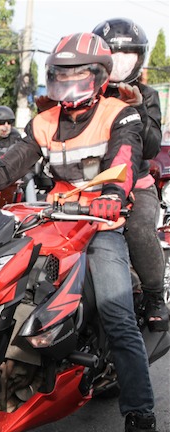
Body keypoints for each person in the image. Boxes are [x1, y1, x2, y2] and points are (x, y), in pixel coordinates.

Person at [0, 32, 160, 432]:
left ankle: (140, 424)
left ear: (99, 78)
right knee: (2, 278)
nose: (69, 85)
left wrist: (112, 195)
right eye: (62, 76)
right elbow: (11, 163)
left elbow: (125, 158)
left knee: (117, 315)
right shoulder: (44, 121)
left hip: (99, 222)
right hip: (53, 217)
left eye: (79, 76)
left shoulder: (120, 112)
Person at [92, 18, 169, 333]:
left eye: (128, 56)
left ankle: (154, 296)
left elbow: (150, 147)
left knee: (138, 230)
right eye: (114, 55)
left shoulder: (146, 95)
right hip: (86, 187)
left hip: (136, 185)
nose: (120, 63)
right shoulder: (86, 91)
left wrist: (137, 108)